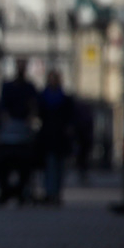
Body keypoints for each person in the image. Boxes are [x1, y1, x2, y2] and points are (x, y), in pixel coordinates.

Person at [0, 59, 38, 205]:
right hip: (10, 132)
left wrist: (31, 117)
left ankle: (20, 192)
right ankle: (6, 191)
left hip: (22, 132)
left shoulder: (29, 87)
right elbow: (3, 106)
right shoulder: (9, 87)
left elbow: (33, 105)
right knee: (3, 166)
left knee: (24, 167)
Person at [35, 70, 74, 205]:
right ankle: (50, 192)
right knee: (49, 165)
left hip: (60, 137)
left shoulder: (64, 98)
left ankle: (55, 192)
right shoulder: (44, 97)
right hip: (48, 137)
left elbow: (70, 118)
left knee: (59, 167)